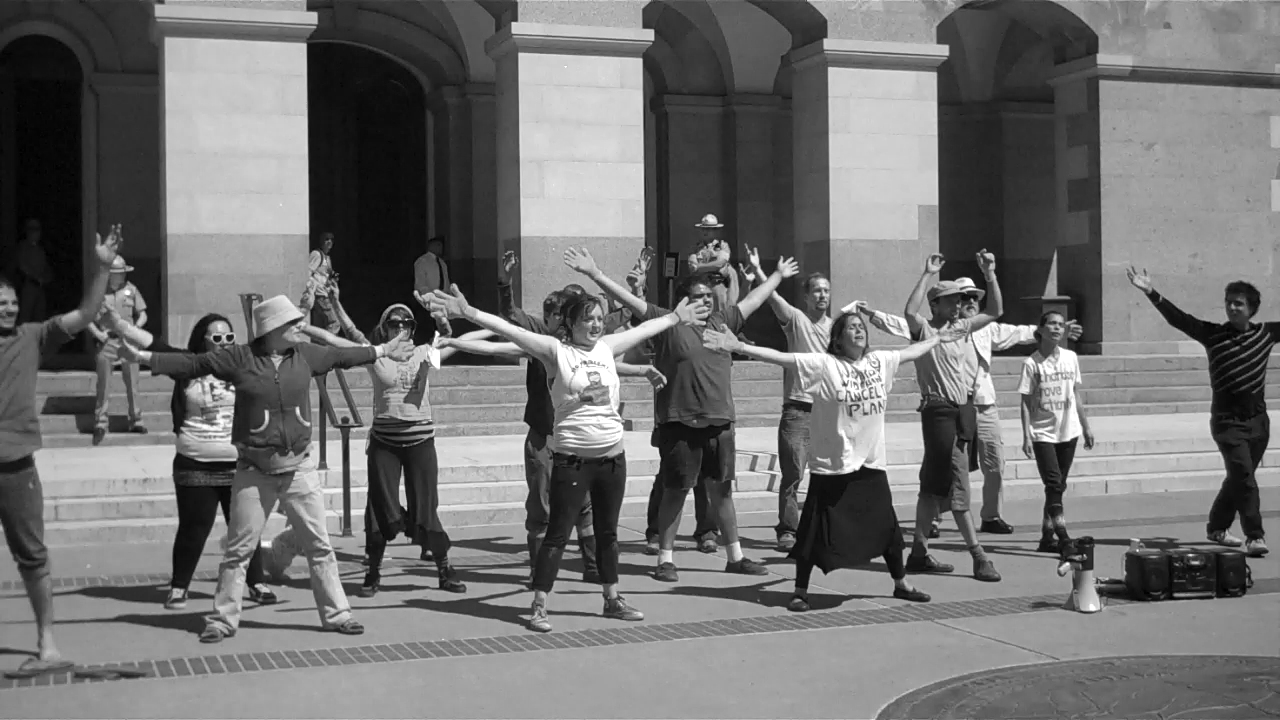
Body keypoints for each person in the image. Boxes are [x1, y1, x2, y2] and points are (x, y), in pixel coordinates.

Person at [122, 295, 415, 643]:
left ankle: (338, 615)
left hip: (299, 468)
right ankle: (222, 620)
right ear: (272, 328)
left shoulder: (305, 354)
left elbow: (341, 357)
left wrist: (382, 350)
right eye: (292, 322)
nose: (300, 326)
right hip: (254, 471)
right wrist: (143, 358)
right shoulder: (240, 358)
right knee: (238, 551)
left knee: (319, 547)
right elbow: (193, 363)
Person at [425, 277, 709, 632]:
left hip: (612, 459)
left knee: (607, 533)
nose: (596, 325)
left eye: (599, 318)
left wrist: (676, 317)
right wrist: (469, 313)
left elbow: (646, 327)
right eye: (588, 319)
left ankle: (612, 598)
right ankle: (539, 605)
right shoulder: (555, 352)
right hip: (572, 461)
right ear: (571, 323)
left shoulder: (606, 348)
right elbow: (511, 332)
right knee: (557, 534)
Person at [565, 244, 797, 583]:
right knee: (675, 491)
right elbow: (630, 302)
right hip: (679, 422)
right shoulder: (667, 323)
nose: (707, 301)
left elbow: (754, 300)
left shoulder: (724, 321)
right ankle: (665, 559)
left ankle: (735, 557)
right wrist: (595, 273)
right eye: (699, 296)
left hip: (720, 421)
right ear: (683, 300)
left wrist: (776, 275)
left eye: (709, 296)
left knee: (722, 492)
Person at [701, 312, 958, 609]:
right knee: (813, 533)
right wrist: (739, 347)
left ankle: (901, 583)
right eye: (851, 327)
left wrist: (938, 338)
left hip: (871, 464)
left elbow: (911, 352)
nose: (858, 330)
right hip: (833, 466)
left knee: (888, 529)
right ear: (837, 339)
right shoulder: (825, 365)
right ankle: (800, 591)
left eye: (861, 327)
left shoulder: (880, 361)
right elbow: (783, 359)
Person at [269, 304, 499, 597]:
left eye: (406, 324)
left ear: (413, 329)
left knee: (426, 508)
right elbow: (338, 341)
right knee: (379, 510)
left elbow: (462, 342)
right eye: (394, 324)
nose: (400, 329)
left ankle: (444, 569)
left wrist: (497, 327)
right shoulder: (376, 354)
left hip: (420, 442)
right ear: (385, 329)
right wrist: (306, 326)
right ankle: (373, 572)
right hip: (385, 444)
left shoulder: (424, 353)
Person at [465, 260, 667, 583]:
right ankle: (539, 575)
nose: (592, 322)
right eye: (577, 313)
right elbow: (510, 321)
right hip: (546, 434)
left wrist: (637, 290)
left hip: (586, 443)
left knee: (587, 509)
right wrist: (501, 285)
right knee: (543, 509)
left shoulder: (594, 344)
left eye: (592, 315)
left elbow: (628, 319)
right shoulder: (545, 342)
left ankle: (594, 568)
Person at [854, 278, 1084, 538]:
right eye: (964, 297)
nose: (970, 302)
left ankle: (991, 516)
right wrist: (872, 315)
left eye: (975, 297)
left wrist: (1052, 329)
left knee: (994, 463)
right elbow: (902, 321)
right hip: (951, 405)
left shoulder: (986, 329)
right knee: (946, 464)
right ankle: (935, 519)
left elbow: (1018, 331)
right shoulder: (935, 329)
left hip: (983, 404)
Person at [0, 223, 121, 679]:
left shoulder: (33, 335)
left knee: (32, 557)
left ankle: (47, 646)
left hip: (16, 467)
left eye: (12, 301)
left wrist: (102, 268)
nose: (9, 308)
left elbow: (87, 312)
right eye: (1, 303)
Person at [101, 307, 277, 609]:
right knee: (194, 528)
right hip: (195, 461)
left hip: (239, 463)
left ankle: (256, 582)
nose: (224, 343)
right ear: (203, 341)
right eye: (216, 338)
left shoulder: (241, 364)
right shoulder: (188, 364)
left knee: (246, 526)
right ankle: (179, 586)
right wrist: (119, 324)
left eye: (229, 337)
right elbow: (154, 345)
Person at [1128, 267, 1276, 558]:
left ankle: (1217, 528)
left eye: (1239, 303)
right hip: (1227, 423)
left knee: (1239, 478)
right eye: (1229, 302)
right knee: (1244, 478)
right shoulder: (1214, 335)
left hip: (1258, 422)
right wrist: (1151, 292)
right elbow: (1179, 319)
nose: (1232, 308)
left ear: (1252, 309)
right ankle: (1255, 536)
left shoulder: (1266, 334)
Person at [898, 252, 1005, 583]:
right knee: (958, 485)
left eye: (960, 299)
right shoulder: (924, 330)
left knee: (931, 487)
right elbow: (909, 311)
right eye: (952, 300)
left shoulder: (960, 328)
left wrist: (990, 274)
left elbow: (996, 311)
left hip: (961, 412)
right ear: (936, 305)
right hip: (939, 411)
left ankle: (918, 552)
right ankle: (978, 555)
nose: (959, 304)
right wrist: (927, 274)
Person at [741, 246, 832, 553]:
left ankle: (823, 528)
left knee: (829, 474)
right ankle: (788, 530)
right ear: (806, 297)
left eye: (826, 291)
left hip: (829, 411)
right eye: (816, 291)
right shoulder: (796, 319)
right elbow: (772, 298)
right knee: (793, 475)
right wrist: (759, 271)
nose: (822, 295)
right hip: (797, 411)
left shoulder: (837, 329)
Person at [1018, 311, 1095, 553]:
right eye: (1052, 324)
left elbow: (1075, 394)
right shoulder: (1031, 364)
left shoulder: (1071, 357)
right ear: (1041, 330)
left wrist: (1086, 426)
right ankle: (1063, 537)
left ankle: (1046, 537)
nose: (1057, 328)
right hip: (1043, 433)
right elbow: (1025, 402)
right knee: (1053, 484)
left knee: (1058, 486)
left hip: (1069, 431)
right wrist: (1026, 435)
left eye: (1061, 325)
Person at [86, 254, 148, 445]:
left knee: (133, 383)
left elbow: (143, 314)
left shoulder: (131, 290)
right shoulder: (98, 292)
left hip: (128, 341)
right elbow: (86, 318)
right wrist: (98, 334)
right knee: (104, 384)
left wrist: (136, 327)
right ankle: (101, 422)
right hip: (108, 341)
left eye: (122, 273)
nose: (120, 276)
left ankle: (136, 420)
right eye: (116, 273)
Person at [688, 214, 739, 312]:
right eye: (703, 229)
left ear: (715, 231)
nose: (705, 232)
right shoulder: (695, 248)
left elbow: (720, 263)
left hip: (718, 287)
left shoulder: (723, 246)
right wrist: (712, 267)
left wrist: (700, 267)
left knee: (720, 316)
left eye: (709, 229)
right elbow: (692, 267)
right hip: (701, 288)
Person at [9, 219, 53, 324]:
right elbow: (22, 265)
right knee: (25, 315)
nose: (36, 233)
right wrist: (35, 276)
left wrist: (47, 277)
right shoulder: (23, 247)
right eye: (32, 229)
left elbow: (45, 267)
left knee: (40, 316)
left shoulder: (40, 250)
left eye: (38, 230)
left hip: (40, 287)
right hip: (28, 285)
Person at [306, 232, 341, 334]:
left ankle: (318, 343)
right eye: (326, 239)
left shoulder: (327, 258)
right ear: (321, 241)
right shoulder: (317, 254)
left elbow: (326, 275)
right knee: (334, 322)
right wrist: (311, 289)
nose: (329, 242)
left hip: (325, 293)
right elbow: (308, 272)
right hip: (319, 294)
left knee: (319, 326)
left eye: (331, 240)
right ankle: (329, 342)